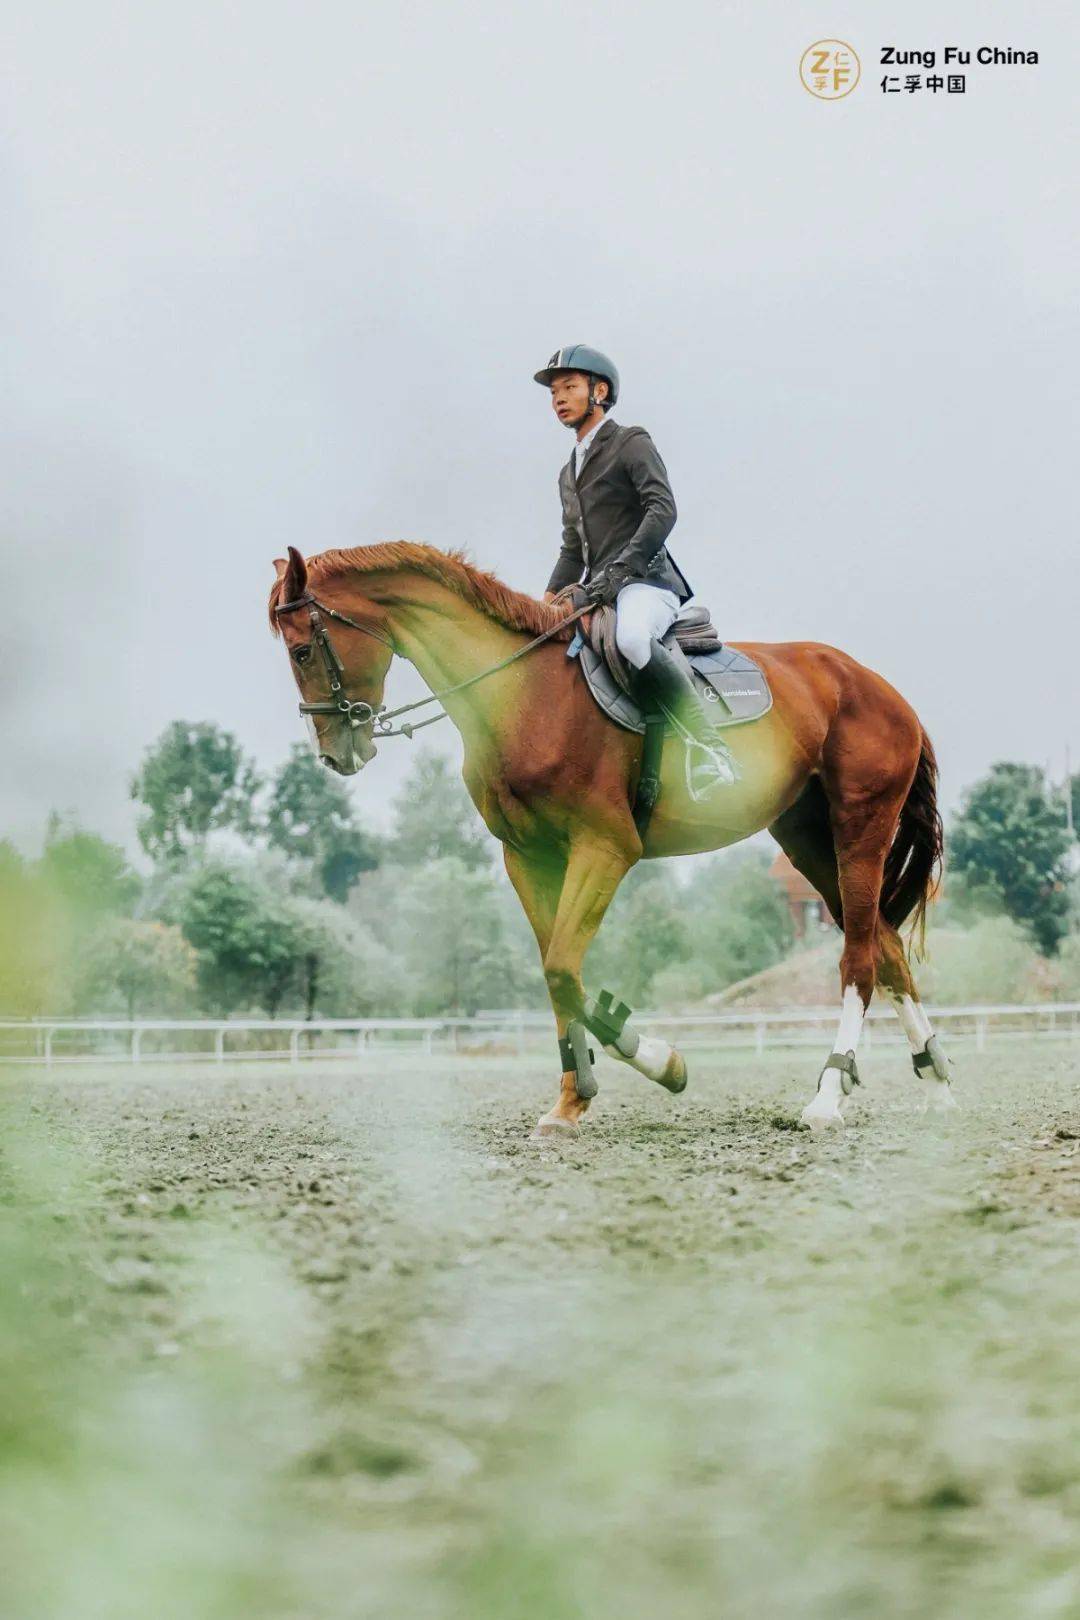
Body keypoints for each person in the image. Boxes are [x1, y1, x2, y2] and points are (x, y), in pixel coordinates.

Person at [534, 343, 732, 797]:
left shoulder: (630, 441)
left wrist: (615, 577)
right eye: (553, 393)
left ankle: (710, 748)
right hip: (598, 588)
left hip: (646, 583)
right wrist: (542, 607)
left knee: (632, 637)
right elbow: (572, 549)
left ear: (599, 391)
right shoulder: (569, 472)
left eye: (569, 387)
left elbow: (661, 510)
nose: (558, 398)